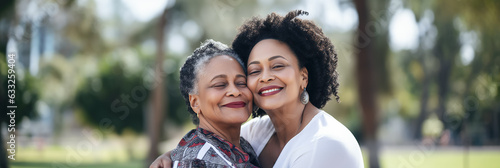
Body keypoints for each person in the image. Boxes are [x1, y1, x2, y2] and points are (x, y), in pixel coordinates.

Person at [151, 10, 363, 168]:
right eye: (253, 71)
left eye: (278, 66)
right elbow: (211, 143)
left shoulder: (324, 144)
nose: (266, 77)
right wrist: (172, 156)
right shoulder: (258, 132)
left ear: (303, 77)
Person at [156, 39, 260, 168]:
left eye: (241, 83)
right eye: (220, 85)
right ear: (195, 102)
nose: (235, 91)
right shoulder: (198, 162)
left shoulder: (244, 144)